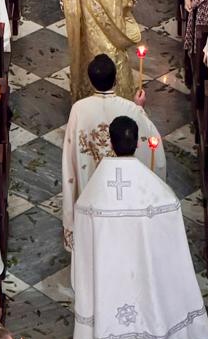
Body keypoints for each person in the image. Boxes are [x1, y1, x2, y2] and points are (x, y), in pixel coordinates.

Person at [72, 114, 208, 339]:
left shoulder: (93, 193)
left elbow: (83, 240)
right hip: (144, 273)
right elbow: (170, 230)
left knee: (114, 317)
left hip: (110, 273)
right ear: (137, 143)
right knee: (148, 312)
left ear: (110, 143)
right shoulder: (156, 191)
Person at [61, 52, 164, 246]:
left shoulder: (79, 109)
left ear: (90, 81)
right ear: (116, 79)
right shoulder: (130, 108)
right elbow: (151, 143)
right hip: (124, 189)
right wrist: (140, 108)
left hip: (91, 190)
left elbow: (70, 154)